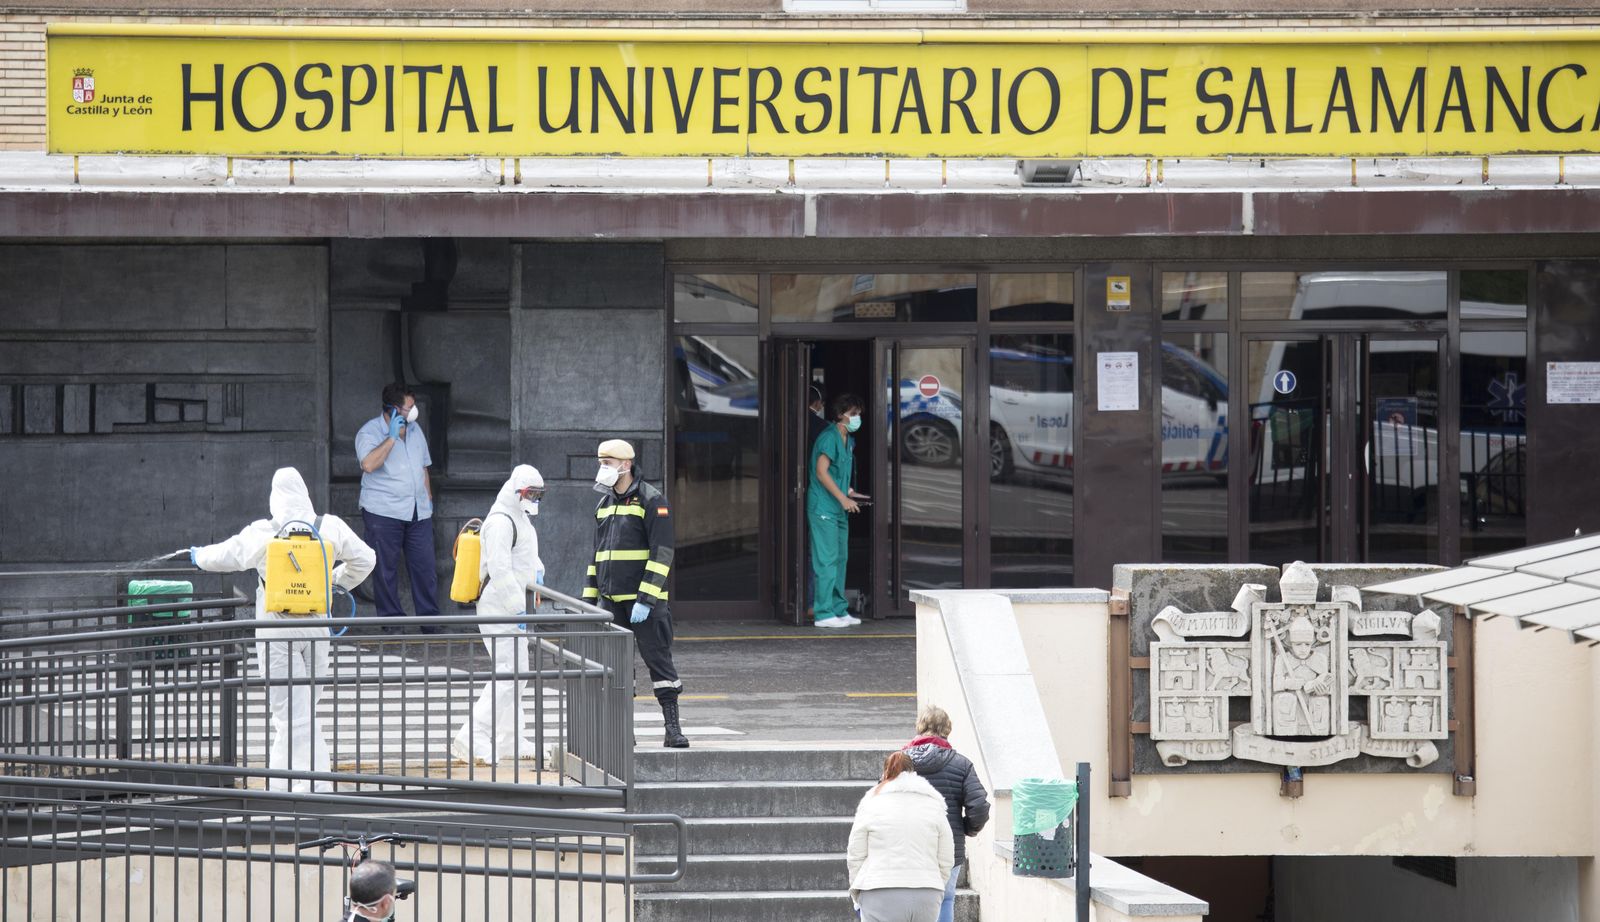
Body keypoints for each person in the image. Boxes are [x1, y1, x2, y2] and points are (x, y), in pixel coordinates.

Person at [189, 467, 374, 793]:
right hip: (317, 626)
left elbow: (226, 555)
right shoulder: (328, 527)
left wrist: (197, 556)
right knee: (304, 708)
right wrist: (332, 583)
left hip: (275, 628)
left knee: (288, 712)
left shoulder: (265, 530)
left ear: (275, 498)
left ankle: (295, 788)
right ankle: (310, 782)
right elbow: (366, 559)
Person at [582, 439, 689, 749]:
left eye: (608, 463)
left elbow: (663, 553)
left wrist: (645, 599)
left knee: (660, 664)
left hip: (645, 603)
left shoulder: (651, 500)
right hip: (611, 601)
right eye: (600, 462)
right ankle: (622, 733)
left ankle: (673, 729)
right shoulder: (604, 504)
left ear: (625, 465)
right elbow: (597, 556)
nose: (602, 468)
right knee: (616, 670)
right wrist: (590, 601)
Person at [451, 464, 545, 766]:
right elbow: (500, 568)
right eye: (531, 493)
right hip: (500, 606)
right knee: (508, 674)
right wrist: (519, 608)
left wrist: (538, 577)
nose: (534, 498)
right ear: (518, 490)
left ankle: (510, 738)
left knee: (517, 676)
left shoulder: (519, 518)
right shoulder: (501, 521)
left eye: (539, 494)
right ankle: (472, 737)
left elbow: (527, 556)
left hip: (512, 606)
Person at [355, 383, 439, 633]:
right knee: (385, 569)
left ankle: (430, 623)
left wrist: (428, 500)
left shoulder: (416, 431)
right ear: (394, 409)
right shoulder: (369, 432)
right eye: (409, 407)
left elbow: (424, 467)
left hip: (418, 512)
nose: (414, 412)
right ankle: (392, 624)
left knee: (425, 568)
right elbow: (368, 464)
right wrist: (391, 437)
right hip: (383, 512)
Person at [903, 705, 991, 922]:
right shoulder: (961, 763)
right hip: (949, 844)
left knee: (909, 898)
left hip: (907, 841)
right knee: (945, 899)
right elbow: (979, 805)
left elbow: (880, 799)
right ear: (947, 729)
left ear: (920, 727)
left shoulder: (900, 761)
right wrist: (967, 828)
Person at [847, 751, 954, 922]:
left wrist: (857, 893)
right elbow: (946, 857)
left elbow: (855, 855)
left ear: (885, 773)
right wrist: (935, 882)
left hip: (879, 888)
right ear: (913, 773)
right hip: (927, 891)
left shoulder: (871, 804)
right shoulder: (934, 804)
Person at [809, 393, 869, 629]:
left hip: (838, 507)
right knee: (826, 560)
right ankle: (823, 613)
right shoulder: (828, 437)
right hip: (824, 507)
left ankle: (838, 609)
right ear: (839, 415)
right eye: (853, 414)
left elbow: (838, 472)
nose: (857, 418)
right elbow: (821, 472)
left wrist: (850, 491)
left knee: (841, 559)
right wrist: (843, 498)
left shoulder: (848, 440)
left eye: (859, 414)